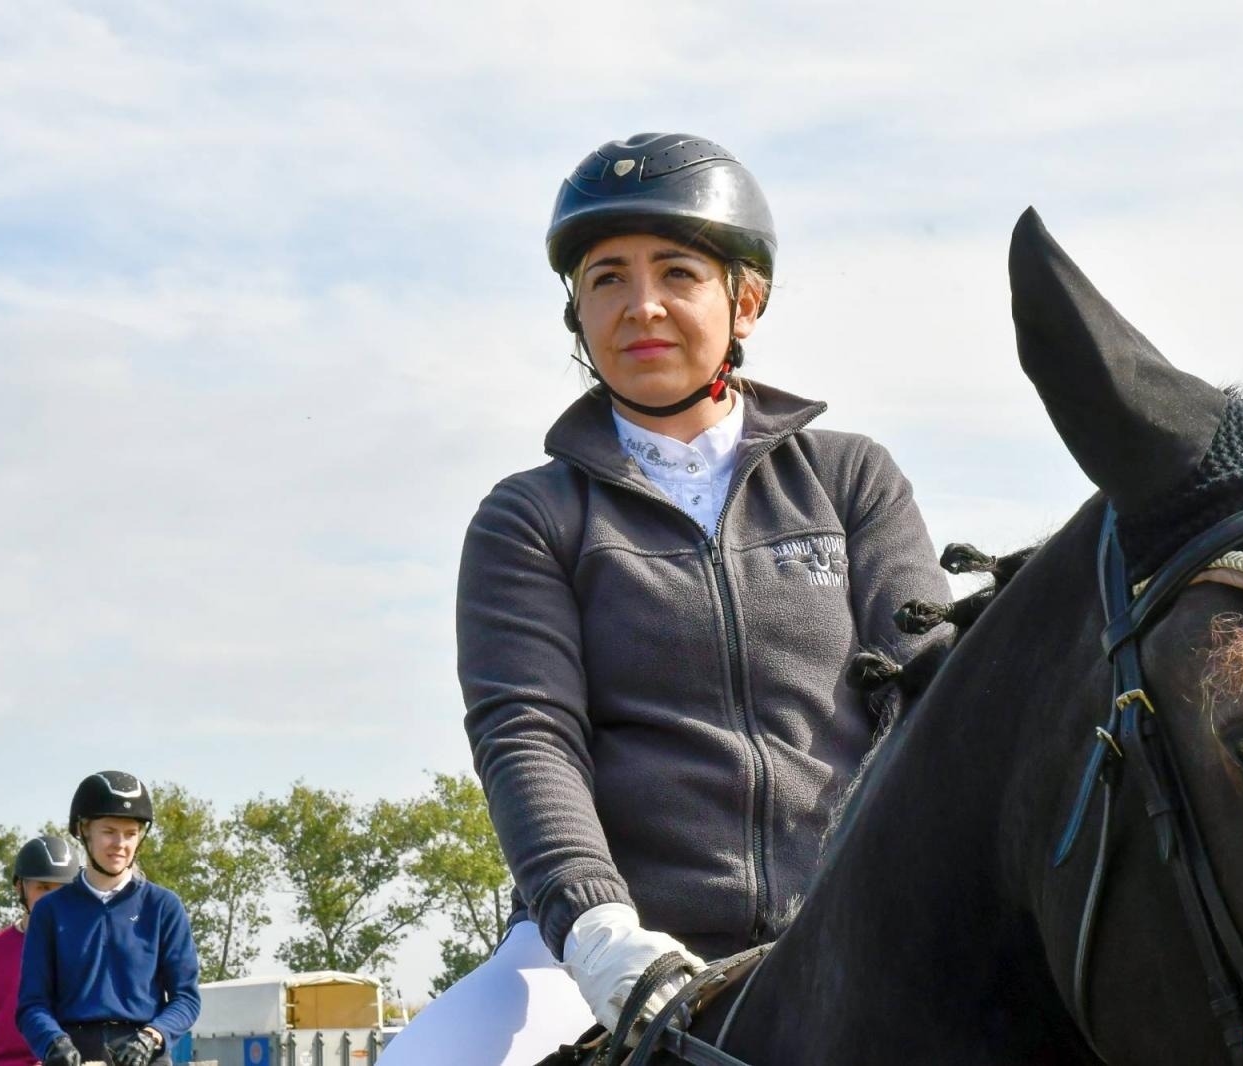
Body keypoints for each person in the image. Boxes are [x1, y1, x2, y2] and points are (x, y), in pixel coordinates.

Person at [378, 133, 951, 1065]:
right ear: (577, 311)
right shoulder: (530, 516)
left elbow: (925, 694)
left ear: (745, 301)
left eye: (677, 272)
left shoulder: (852, 481)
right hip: (597, 954)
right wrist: (598, 926)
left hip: (843, 928)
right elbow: (529, 733)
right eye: (607, 278)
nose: (640, 306)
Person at [17, 770, 200, 1066]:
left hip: (144, 1052)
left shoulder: (164, 906)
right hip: (74, 1051)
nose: (120, 843)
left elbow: (186, 998)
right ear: (84, 830)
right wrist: (54, 1041)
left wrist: (153, 1035)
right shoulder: (50, 911)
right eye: (109, 831)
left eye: (131, 834)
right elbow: (31, 1004)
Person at [0, 835, 83, 1066]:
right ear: (19, 887)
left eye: (63, 889)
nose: (53, 898)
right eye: (43, 887)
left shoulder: (91, 948)